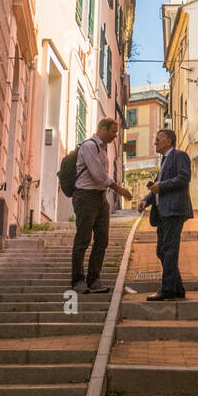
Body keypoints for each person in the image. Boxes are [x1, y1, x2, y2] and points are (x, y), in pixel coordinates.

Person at [71, 118, 133, 294]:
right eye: (113, 132)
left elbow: (102, 177)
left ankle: (94, 279)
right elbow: (98, 174)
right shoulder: (89, 146)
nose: (115, 136)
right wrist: (119, 189)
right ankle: (77, 280)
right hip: (85, 196)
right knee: (83, 239)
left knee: (102, 240)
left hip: (100, 198)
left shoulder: (103, 149)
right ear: (103, 129)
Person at [137, 128, 192, 300]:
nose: (155, 143)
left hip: (174, 211)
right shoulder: (164, 161)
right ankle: (177, 287)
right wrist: (147, 199)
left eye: (158, 139)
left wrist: (162, 185)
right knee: (162, 251)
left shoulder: (179, 156)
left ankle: (167, 289)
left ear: (169, 141)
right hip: (162, 213)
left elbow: (184, 178)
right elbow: (158, 186)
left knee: (168, 249)